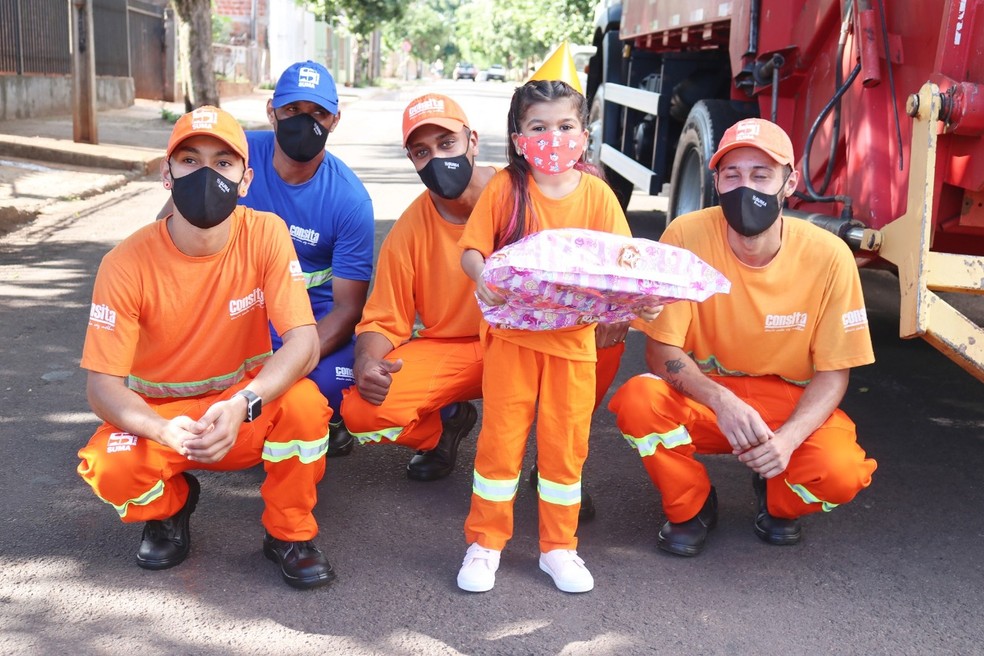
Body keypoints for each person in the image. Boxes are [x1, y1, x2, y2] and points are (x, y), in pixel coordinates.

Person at [77, 106, 336, 590]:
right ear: (166, 173)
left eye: (223, 162)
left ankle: (289, 533)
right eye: (191, 160)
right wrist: (158, 427)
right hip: (161, 421)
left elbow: (304, 340)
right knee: (111, 469)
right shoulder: (124, 263)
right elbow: (102, 386)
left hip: (240, 410)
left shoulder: (266, 234)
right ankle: (170, 508)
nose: (206, 173)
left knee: (306, 406)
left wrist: (245, 402)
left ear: (245, 180)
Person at [608, 117, 878, 557]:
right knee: (639, 402)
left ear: (788, 182)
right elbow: (661, 351)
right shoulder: (686, 235)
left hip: (787, 398)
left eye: (761, 174)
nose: (744, 187)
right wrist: (721, 401)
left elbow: (833, 374)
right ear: (715, 181)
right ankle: (691, 505)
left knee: (841, 470)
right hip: (710, 392)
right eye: (731, 175)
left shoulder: (829, 256)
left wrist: (787, 442)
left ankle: (778, 497)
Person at [340, 93, 627, 488]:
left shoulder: (525, 189)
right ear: (412, 160)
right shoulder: (408, 230)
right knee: (363, 413)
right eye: (422, 151)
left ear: (472, 141)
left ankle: (557, 458)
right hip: (458, 350)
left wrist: (615, 311)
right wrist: (367, 364)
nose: (438, 159)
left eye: (447, 144)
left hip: (535, 337)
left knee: (606, 336)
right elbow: (383, 319)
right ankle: (446, 423)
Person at [455, 80, 660, 594]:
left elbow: (624, 264)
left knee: (566, 449)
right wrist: (483, 277)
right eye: (539, 127)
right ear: (518, 137)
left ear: (584, 135)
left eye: (565, 126)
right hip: (511, 343)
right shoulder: (506, 188)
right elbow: (472, 250)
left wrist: (644, 299)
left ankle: (559, 548)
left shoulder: (597, 194)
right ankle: (485, 544)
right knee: (500, 446)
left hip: (573, 346)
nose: (553, 138)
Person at [241, 60, 374, 458]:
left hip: (314, 324)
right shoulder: (237, 155)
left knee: (334, 388)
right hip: (241, 318)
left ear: (335, 119)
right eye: (292, 111)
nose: (305, 122)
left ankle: (324, 419)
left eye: (318, 113)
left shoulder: (349, 200)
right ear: (271, 111)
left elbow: (349, 309)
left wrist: (290, 359)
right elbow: (168, 228)